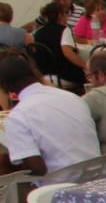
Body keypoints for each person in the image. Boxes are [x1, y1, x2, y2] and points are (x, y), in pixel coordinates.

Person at [0, 53, 99, 182]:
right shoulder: (72, 97)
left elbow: (37, 170)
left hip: (60, 188)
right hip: (98, 178)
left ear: (4, 85)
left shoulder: (18, 116)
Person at [29, 1, 84, 89]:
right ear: (60, 15)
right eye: (65, 13)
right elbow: (67, 53)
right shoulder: (64, 30)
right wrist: (86, 65)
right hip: (63, 76)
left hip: (44, 76)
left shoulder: (38, 33)